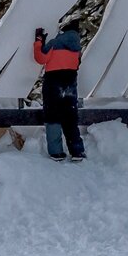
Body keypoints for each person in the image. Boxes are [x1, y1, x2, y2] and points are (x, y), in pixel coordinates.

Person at [33, 19, 86, 162]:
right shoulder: (77, 48)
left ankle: (56, 152)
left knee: (53, 116)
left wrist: (39, 41)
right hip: (70, 83)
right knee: (70, 116)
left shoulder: (55, 43)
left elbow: (40, 58)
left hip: (53, 82)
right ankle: (77, 151)